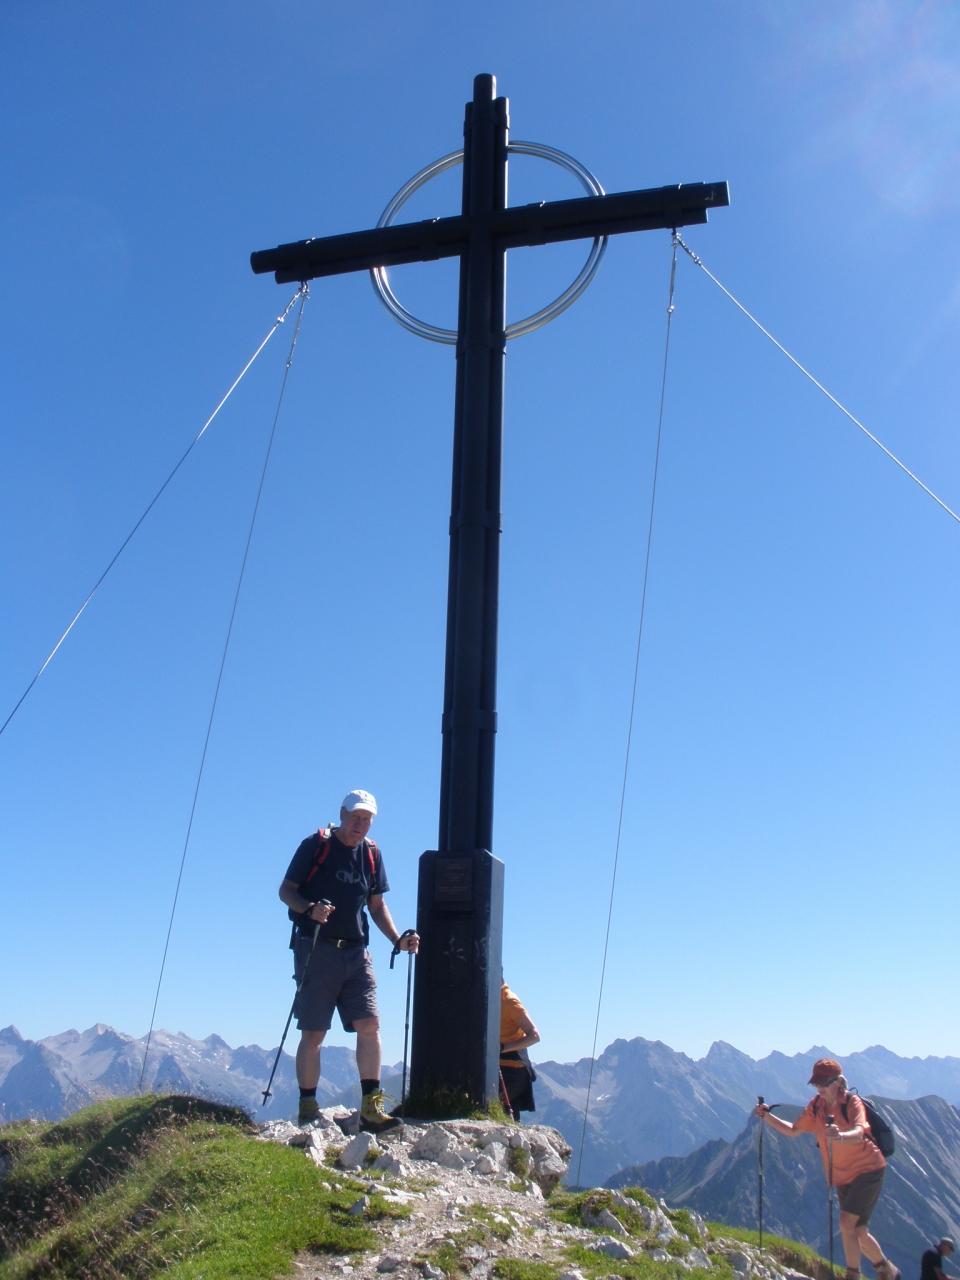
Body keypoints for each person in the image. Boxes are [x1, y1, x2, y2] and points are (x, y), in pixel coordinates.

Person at [278, 789, 418, 1133]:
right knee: (314, 1031)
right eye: (355, 817)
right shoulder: (316, 845)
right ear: (342, 815)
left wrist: (397, 940)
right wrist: (309, 909)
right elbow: (286, 891)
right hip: (316, 948)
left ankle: (371, 1108)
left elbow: (376, 905)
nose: (360, 824)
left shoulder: (372, 854)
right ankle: (308, 1108)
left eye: (367, 819)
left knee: (369, 1024)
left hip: (357, 951)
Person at [756, 1058, 900, 1280]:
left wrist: (840, 1136)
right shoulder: (816, 1106)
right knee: (859, 1231)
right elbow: (793, 1130)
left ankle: (852, 1275)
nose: (819, 1088)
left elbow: (860, 1132)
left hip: (868, 1169)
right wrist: (766, 1116)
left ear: (837, 1082)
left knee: (846, 1223)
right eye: (816, 1083)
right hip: (842, 1176)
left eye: (823, 1083)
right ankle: (888, 1270)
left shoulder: (851, 1102)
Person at [499, 980, 540, 1121]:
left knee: (494, 1103)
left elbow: (534, 1036)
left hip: (515, 1069)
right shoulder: (492, 998)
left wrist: (504, 1048)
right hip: (501, 1066)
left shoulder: (509, 1001)